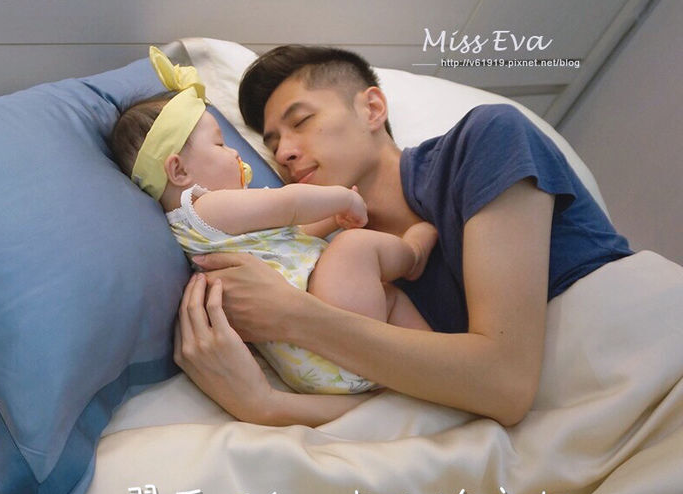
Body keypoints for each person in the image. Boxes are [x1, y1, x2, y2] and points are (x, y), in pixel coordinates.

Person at [175, 45, 633, 427]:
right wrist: (264, 405)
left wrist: (294, 316)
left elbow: (504, 383)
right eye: (272, 144)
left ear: (372, 109)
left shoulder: (485, 141)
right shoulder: (344, 271)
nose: (284, 153)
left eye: (300, 122)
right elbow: (412, 406)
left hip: (631, 368)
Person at [111, 47, 438, 395]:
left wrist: (331, 220)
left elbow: (292, 232)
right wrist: (343, 198)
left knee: (390, 298)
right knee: (354, 246)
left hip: (314, 366)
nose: (235, 153)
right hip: (325, 333)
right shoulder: (206, 207)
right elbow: (290, 204)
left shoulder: (206, 229)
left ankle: (433, 369)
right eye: (219, 145)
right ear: (178, 170)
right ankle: (413, 255)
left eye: (300, 122)